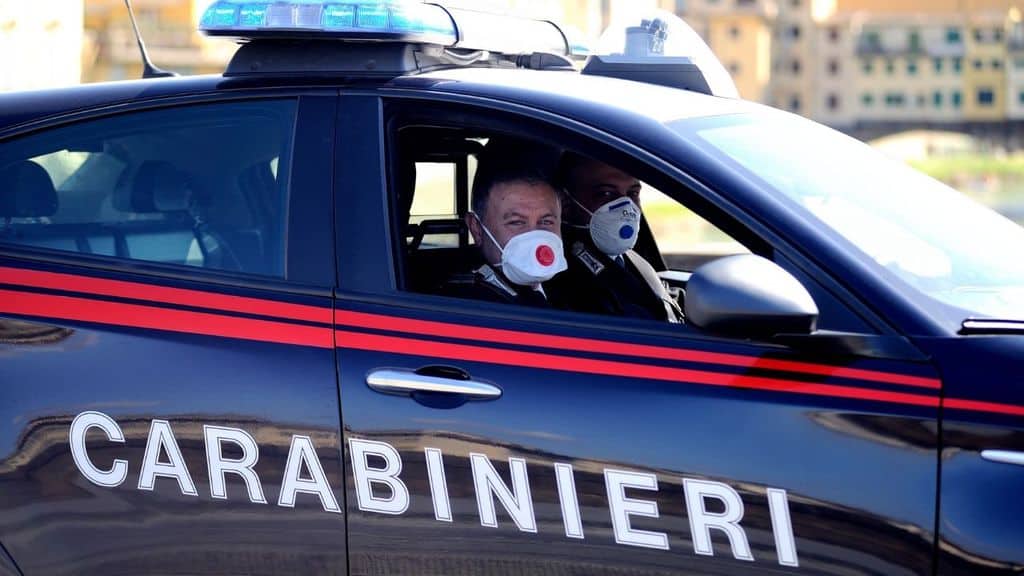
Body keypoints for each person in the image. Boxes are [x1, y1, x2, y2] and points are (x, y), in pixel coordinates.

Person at [550, 152, 683, 322]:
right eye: (606, 194)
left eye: (633, 193)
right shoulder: (563, 276)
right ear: (565, 204)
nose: (626, 207)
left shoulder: (629, 258)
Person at [442, 160, 567, 306]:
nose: (535, 235)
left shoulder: (573, 288)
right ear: (476, 228)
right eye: (516, 222)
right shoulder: (463, 305)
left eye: (546, 222)